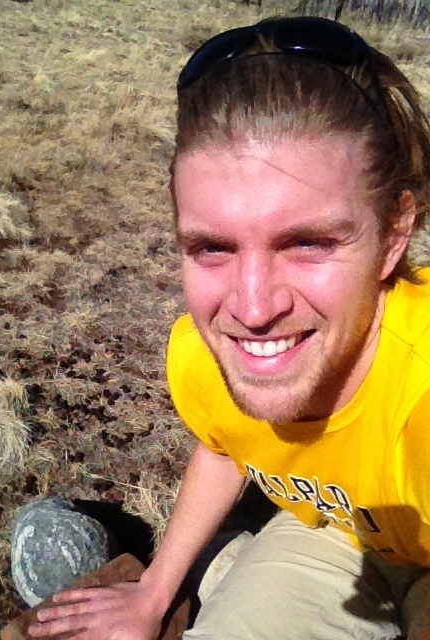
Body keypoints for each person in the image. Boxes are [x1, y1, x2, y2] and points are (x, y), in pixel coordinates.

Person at [27, 15, 430, 640]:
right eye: (213, 247)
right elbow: (226, 443)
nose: (250, 309)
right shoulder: (200, 356)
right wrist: (153, 592)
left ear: (393, 237)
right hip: (333, 533)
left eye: (309, 242)